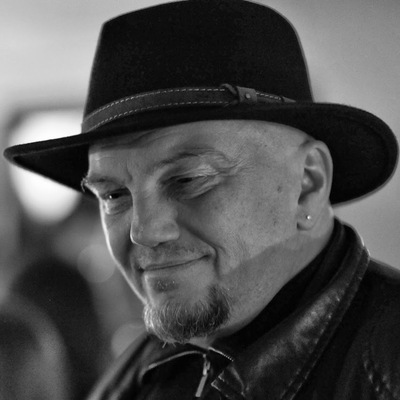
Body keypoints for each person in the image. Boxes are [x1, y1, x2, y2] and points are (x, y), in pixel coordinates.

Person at [4, 1, 400, 399]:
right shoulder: (144, 372)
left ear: (308, 184)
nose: (144, 231)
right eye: (113, 194)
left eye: (188, 180)